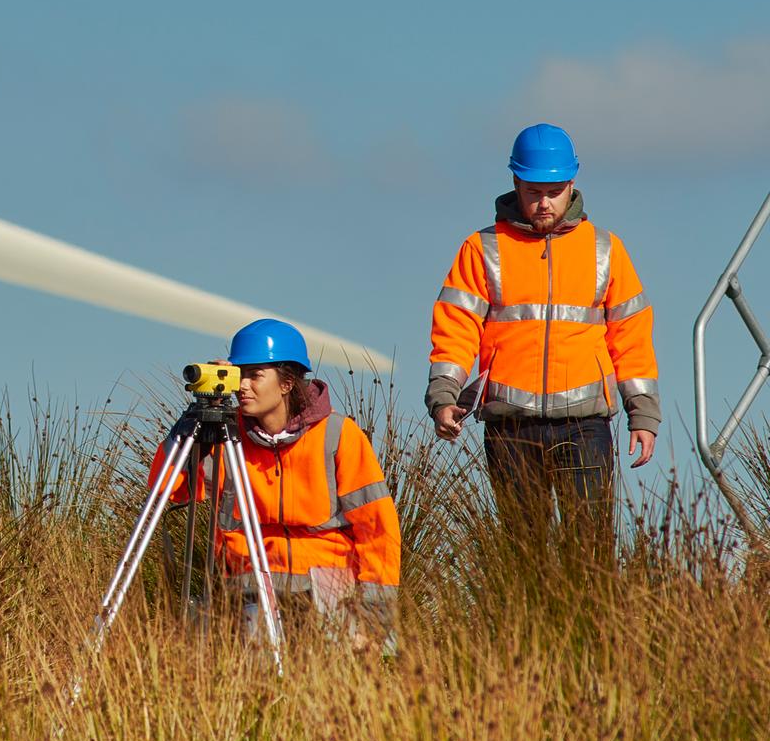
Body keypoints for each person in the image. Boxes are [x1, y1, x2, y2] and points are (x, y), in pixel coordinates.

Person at [426, 123, 660, 540]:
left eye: (554, 191)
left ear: (571, 183)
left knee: (589, 552)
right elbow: (455, 329)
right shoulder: (481, 249)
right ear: (516, 182)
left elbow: (631, 336)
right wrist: (444, 397)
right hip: (510, 427)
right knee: (523, 554)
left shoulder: (605, 249)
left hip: (586, 424)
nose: (544, 203)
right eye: (533, 192)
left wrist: (641, 413)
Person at [151, 318, 401, 649]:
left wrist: (375, 618)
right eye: (240, 374)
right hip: (247, 590)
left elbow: (378, 531)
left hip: (328, 591)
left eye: (256, 375)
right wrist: (192, 421)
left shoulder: (338, 436)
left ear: (286, 383)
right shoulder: (225, 438)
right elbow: (166, 488)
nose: (243, 386)